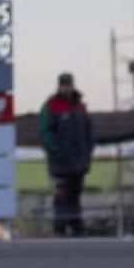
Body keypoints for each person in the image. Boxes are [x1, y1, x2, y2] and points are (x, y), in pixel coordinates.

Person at [40, 72, 94, 236]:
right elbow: (46, 133)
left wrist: (87, 153)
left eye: (68, 84)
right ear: (59, 86)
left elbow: (88, 132)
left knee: (75, 196)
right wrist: (57, 151)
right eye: (64, 85)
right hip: (61, 165)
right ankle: (60, 227)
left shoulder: (80, 106)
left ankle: (77, 226)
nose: (66, 88)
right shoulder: (51, 106)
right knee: (62, 196)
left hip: (79, 164)